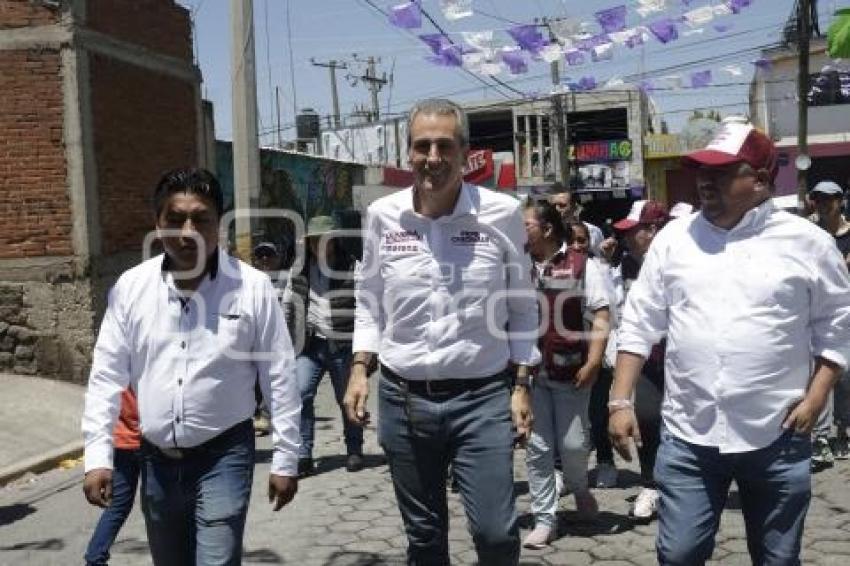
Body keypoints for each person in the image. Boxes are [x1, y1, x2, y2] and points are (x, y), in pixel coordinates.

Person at [609, 120, 850, 565]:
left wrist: (816, 400)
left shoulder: (810, 244)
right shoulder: (674, 241)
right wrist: (620, 400)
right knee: (679, 554)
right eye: (702, 169)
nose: (705, 180)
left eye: (722, 172)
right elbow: (641, 322)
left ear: (760, 180)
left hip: (777, 433)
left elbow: (836, 328)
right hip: (689, 434)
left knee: (777, 559)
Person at [343, 98, 539, 565]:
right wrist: (358, 368)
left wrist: (522, 384)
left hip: (482, 399)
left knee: (495, 533)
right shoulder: (382, 216)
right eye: (422, 146)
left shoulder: (501, 213)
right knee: (425, 537)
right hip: (402, 399)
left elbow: (522, 306)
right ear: (407, 152)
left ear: (465, 151)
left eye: (444, 146)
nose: (433, 157)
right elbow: (370, 298)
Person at [82, 167, 301, 565]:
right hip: (156, 461)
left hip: (225, 454)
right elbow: (106, 375)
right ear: (158, 223)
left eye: (200, 219)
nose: (188, 231)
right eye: (175, 219)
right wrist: (98, 456)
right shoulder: (131, 289)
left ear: (219, 224)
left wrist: (287, 457)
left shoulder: (251, 288)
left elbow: (279, 375)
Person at [521, 204, 611, 549]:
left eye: (526, 224)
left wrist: (593, 362)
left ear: (546, 229)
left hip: (571, 371)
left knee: (573, 445)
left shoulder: (581, 264)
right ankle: (546, 519)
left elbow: (601, 315)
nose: (520, 230)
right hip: (529, 375)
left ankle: (579, 487)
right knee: (538, 447)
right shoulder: (517, 265)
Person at [283, 215, 363, 476]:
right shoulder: (299, 269)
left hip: (341, 344)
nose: (320, 245)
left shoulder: (352, 267)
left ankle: (354, 450)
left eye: (325, 240)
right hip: (310, 345)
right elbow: (287, 305)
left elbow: (366, 308)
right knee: (301, 393)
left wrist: (364, 352)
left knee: (347, 399)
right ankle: (304, 454)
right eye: (315, 240)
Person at [608, 200, 671, 521]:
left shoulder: (680, 261)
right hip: (645, 360)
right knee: (646, 417)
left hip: (682, 360)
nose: (627, 238)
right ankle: (650, 483)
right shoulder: (623, 266)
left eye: (633, 231)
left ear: (653, 230)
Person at [570, 221, 619, 490]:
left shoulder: (598, 269)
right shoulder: (556, 269)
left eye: (582, 240)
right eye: (573, 240)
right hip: (565, 354)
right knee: (567, 420)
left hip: (595, 352)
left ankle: (605, 462)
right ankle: (565, 470)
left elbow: (610, 311)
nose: (577, 245)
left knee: (597, 414)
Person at [809, 180, 850, 464]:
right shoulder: (810, 234)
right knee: (818, 371)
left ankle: (843, 430)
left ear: (840, 201)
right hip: (817, 312)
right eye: (819, 200)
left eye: (829, 200)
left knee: (845, 377)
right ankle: (821, 436)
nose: (824, 205)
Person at [84, 389, 140, 566]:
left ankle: (95, 559)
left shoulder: (117, 366)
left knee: (118, 505)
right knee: (163, 506)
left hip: (121, 439)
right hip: (148, 441)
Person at [251, 241, 286, 437]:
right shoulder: (248, 282)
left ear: (277, 258)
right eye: (260, 255)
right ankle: (258, 415)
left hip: (279, 340)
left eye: (269, 255)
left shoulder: (287, 280)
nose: (265, 259)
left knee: (275, 379)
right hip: (254, 339)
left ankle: (268, 416)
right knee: (254, 381)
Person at [550, 188, 605, 255]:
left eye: (562, 205)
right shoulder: (547, 234)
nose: (557, 209)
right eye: (553, 206)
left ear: (573, 206)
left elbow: (599, 260)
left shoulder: (592, 231)